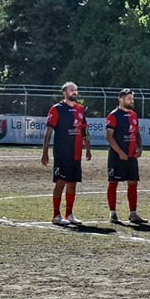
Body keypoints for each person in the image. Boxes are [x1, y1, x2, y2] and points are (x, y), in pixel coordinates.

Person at [41, 82, 91, 227]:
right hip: (62, 152)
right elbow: (48, 132)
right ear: (64, 92)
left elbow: (84, 129)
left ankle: (69, 214)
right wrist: (45, 153)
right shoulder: (57, 109)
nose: (74, 92)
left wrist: (87, 147)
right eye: (71, 90)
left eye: (76, 90)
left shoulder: (80, 109)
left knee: (73, 183)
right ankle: (56, 215)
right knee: (60, 182)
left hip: (76, 153)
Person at [105, 88, 142, 225]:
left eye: (132, 99)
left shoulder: (134, 115)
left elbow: (137, 133)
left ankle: (133, 213)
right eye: (128, 99)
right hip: (116, 156)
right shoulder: (113, 115)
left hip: (131, 155)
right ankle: (113, 214)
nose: (131, 101)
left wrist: (140, 147)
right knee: (113, 182)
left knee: (133, 182)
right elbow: (109, 136)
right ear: (121, 99)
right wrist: (120, 152)